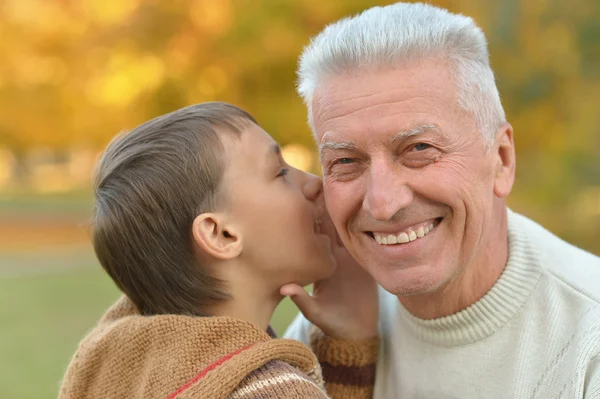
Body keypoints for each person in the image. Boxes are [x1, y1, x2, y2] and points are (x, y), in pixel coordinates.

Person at [284, 2, 600, 398]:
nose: (382, 204)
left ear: (501, 159)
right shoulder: (336, 325)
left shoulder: (589, 344)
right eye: (346, 161)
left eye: (419, 148)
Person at [58, 102, 379, 399]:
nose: (315, 184)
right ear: (221, 234)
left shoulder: (116, 362)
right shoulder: (271, 391)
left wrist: (346, 344)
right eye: (280, 173)